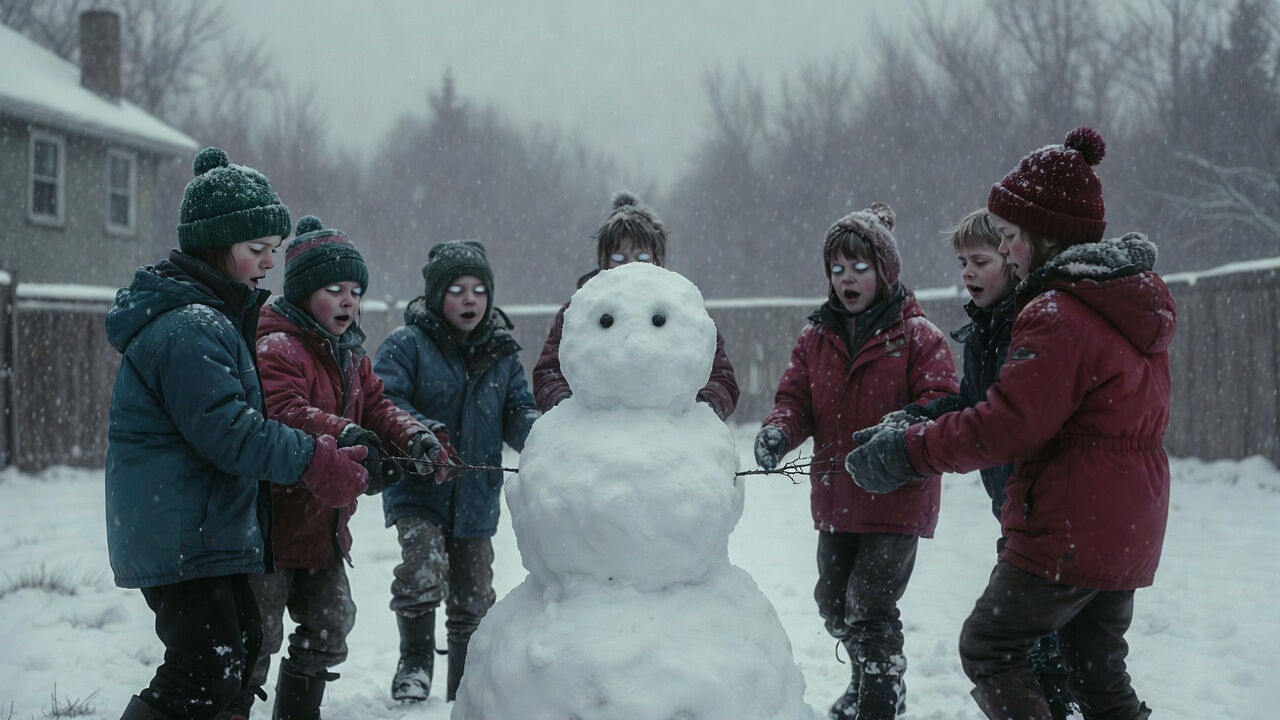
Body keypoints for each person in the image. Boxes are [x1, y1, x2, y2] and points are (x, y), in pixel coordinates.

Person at [847, 128, 1175, 720]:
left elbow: (1008, 424)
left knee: (990, 645)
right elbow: (997, 406)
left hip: (1072, 520)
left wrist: (908, 454)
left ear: (1042, 235)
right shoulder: (1122, 301)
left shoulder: (1056, 311)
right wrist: (913, 427)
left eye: (1008, 238)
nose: (1007, 251)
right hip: (1129, 519)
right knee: (1096, 670)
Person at [104, 148, 370, 720]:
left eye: (274, 251)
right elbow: (229, 432)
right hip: (180, 530)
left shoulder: (216, 317)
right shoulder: (189, 327)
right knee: (203, 668)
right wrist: (314, 460)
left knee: (239, 652)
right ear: (213, 245)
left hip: (207, 530)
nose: (269, 263)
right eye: (257, 250)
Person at [228, 216, 447, 719]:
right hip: (270, 529)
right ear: (304, 293)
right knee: (256, 641)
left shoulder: (351, 356)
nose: (349, 300)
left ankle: (297, 711)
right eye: (334, 289)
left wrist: (413, 436)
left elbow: (378, 407)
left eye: (355, 290)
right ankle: (232, 709)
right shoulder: (276, 345)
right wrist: (344, 432)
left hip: (323, 527)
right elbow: (282, 410)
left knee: (330, 625)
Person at [752, 202, 959, 720]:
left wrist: (902, 427)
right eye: (838, 269)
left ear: (885, 273)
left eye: (859, 268)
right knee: (833, 603)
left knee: (869, 607)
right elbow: (795, 400)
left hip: (897, 498)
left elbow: (942, 402)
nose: (847, 278)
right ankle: (867, 674)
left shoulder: (919, 338)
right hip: (838, 498)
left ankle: (879, 700)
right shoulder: (815, 338)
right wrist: (779, 432)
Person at [373, 240, 541, 703]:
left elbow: (518, 410)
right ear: (434, 296)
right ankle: (414, 663)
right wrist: (423, 432)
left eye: (479, 290)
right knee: (422, 573)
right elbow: (386, 400)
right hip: (419, 488)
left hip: (476, 494)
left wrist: (541, 435)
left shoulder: (502, 353)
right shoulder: (407, 345)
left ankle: (463, 687)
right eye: (457, 289)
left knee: (473, 596)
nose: (470, 299)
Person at [531, 191, 740, 420]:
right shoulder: (580, 312)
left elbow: (721, 377)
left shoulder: (683, 310)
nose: (630, 265)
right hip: (596, 436)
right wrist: (573, 409)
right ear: (604, 262)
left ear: (656, 260)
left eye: (641, 256)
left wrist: (695, 410)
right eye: (619, 258)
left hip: (669, 435)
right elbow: (548, 374)